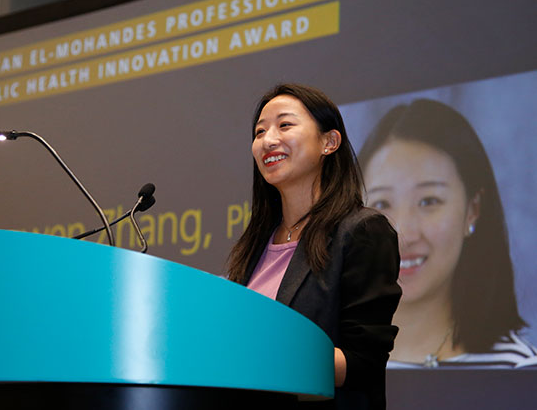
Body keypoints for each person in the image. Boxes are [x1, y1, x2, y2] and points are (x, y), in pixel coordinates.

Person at [228, 83, 402, 409]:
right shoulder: (255, 242)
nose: (268, 140)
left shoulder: (362, 231)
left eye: (285, 125)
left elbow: (363, 361)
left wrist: (260, 354)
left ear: (329, 141)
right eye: (260, 131)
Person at [358, 98, 537, 368]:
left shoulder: (518, 370)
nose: (403, 233)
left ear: (472, 210)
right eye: (382, 204)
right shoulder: (321, 361)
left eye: (429, 201)